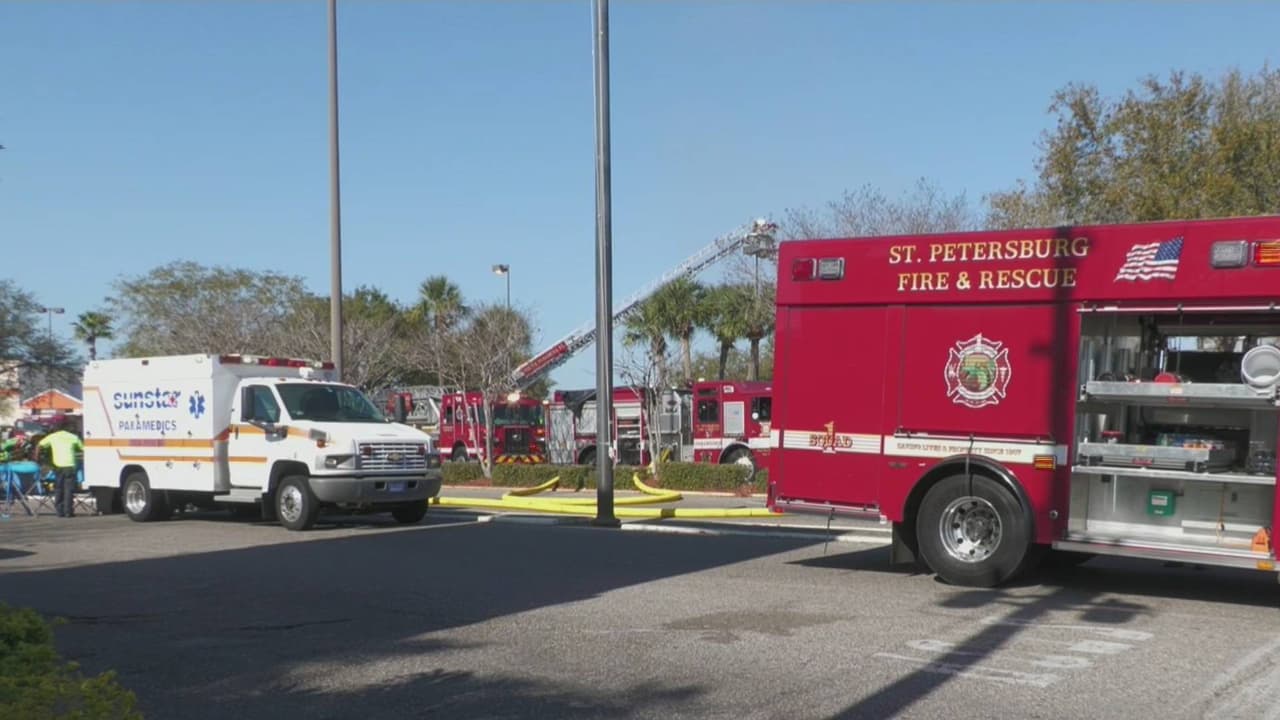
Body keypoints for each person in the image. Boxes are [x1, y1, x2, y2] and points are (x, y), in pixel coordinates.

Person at [37, 419, 84, 518]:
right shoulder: (73, 437)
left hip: (58, 466)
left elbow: (39, 445)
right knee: (69, 489)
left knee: (59, 488)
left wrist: (37, 458)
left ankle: (59, 511)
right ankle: (68, 511)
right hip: (70, 466)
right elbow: (83, 448)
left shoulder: (53, 436)